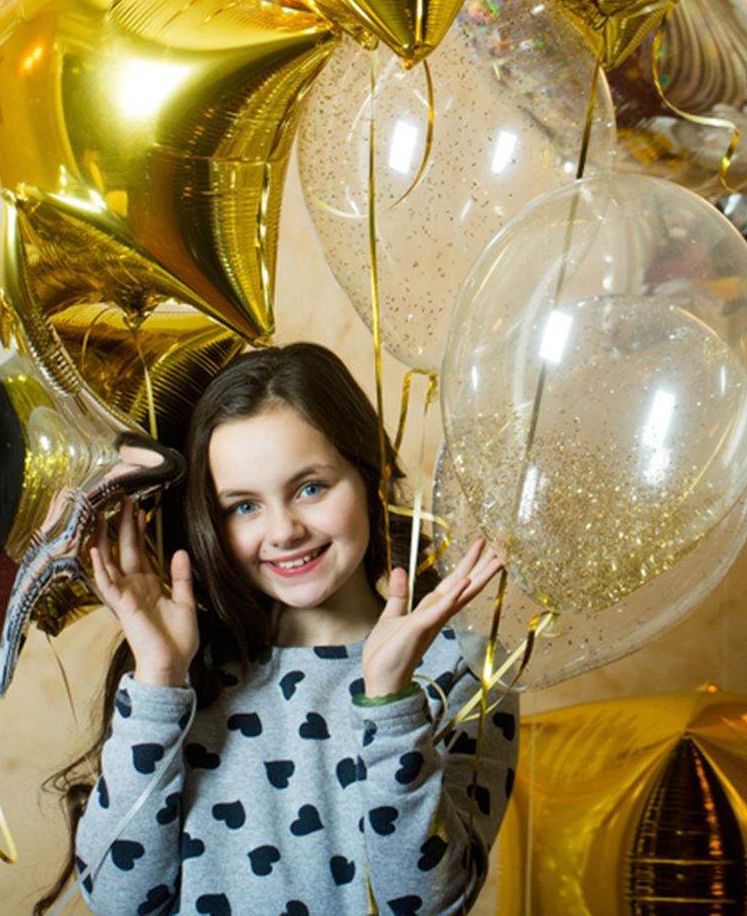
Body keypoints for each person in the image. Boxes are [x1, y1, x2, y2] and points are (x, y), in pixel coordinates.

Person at [35, 342, 519, 916]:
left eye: (310, 487)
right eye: (243, 506)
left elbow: (426, 905)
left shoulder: (463, 669)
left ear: (370, 475)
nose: (284, 531)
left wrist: (390, 702)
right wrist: (160, 680)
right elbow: (121, 902)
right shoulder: (188, 670)